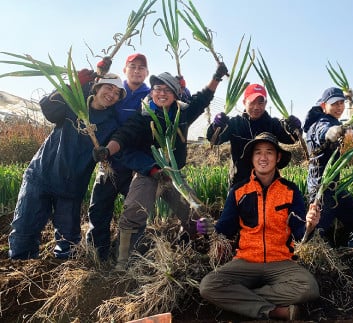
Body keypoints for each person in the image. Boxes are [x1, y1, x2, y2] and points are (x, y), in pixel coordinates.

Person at [93, 62, 228, 269]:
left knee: (195, 212)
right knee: (133, 212)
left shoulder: (181, 114)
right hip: (150, 173)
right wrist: (106, 150)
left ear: (175, 94)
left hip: (173, 173)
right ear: (152, 92)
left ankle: (200, 250)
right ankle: (122, 262)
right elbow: (124, 135)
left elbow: (202, 98)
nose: (161, 93)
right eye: (157, 89)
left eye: (167, 90)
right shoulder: (143, 116)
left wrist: (217, 77)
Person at [199, 132, 321, 320]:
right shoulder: (239, 191)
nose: (263, 157)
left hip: (281, 262)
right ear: (252, 158)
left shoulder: (290, 190)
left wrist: (309, 226)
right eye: (258, 153)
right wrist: (206, 229)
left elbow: (298, 232)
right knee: (208, 285)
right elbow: (225, 228)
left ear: (278, 157)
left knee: (309, 288)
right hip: (245, 261)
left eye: (269, 152)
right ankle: (276, 311)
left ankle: (242, 300)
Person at [8, 73, 126, 259]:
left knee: (68, 241)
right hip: (42, 175)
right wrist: (74, 84)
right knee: (24, 228)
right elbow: (48, 108)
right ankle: (21, 267)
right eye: (109, 88)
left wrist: (104, 152)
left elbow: (117, 144)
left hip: (72, 186)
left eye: (118, 93)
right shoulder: (74, 104)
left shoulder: (111, 124)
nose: (112, 94)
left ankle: (64, 274)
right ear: (97, 87)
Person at [86, 53, 150, 260]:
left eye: (141, 67)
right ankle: (97, 254)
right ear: (125, 70)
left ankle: (128, 256)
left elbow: (175, 101)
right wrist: (98, 72)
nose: (137, 70)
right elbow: (91, 95)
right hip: (110, 162)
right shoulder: (115, 91)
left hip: (136, 165)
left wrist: (183, 89)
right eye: (133, 66)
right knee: (99, 208)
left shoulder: (150, 95)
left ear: (147, 73)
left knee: (136, 212)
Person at [303, 87, 353, 248]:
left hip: (335, 189)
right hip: (321, 189)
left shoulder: (332, 119)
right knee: (317, 231)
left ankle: (352, 254)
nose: (339, 107)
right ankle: (305, 260)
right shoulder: (320, 122)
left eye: (341, 103)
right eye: (334, 104)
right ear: (324, 105)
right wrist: (331, 132)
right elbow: (322, 132)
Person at [206, 83, 302, 186]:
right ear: (244, 102)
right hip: (239, 182)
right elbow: (214, 140)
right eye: (252, 102)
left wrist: (295, 129)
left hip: (266, 184)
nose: (256, 107)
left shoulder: (273, 124)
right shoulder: (234, 123)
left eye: (260, 103)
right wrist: (216, 126)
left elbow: (291, 139)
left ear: (265, 104)